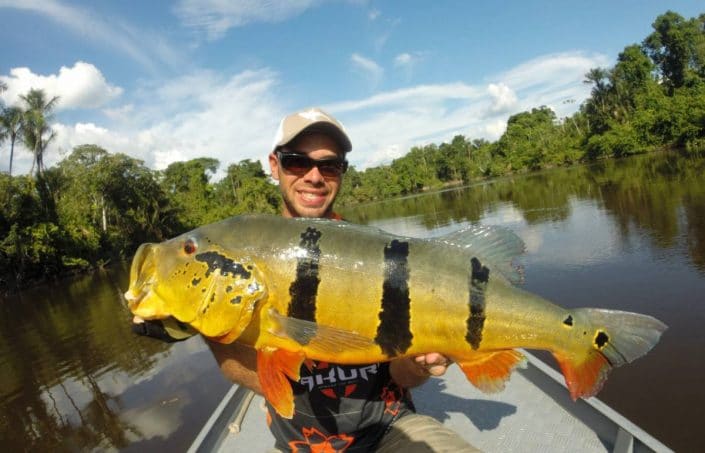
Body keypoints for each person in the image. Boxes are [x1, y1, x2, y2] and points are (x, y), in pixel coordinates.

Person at [134, 108, 478, 452]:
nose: (314, 176)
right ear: (274, 165)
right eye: (297, 161)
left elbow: (401, 377)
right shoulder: (244, 249)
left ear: (342, 172)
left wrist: (419, 364)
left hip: (389, 429)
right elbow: (255, 377)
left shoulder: (381, 255)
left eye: (329, 165)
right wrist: (198, 322)